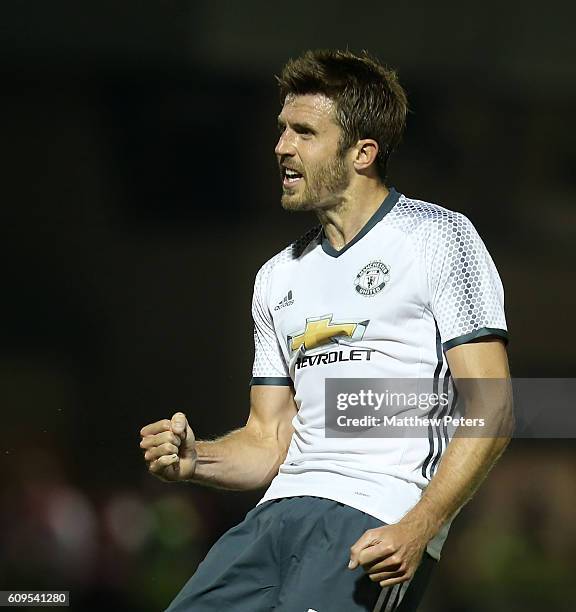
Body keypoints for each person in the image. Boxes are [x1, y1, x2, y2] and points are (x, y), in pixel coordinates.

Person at [139, 49, 513, 611]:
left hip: (373, 521)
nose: (281, 147)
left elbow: (495, 406)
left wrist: (422, 525)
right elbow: (268, 441)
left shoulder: (440, 238)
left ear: (362, 152)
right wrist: (199, 460)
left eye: (304, 132)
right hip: (274, 517)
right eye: (282, 129)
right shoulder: (277, 276)